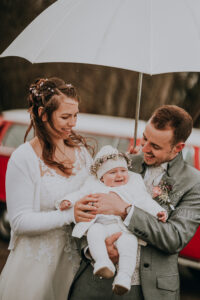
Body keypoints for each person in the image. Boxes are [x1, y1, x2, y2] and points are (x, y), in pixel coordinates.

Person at [68, 105, 200, 300]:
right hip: (95, 283)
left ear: (178, 147)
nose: (145, 148)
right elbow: (85, 207)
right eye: (145, 138)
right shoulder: (121, 163)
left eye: (155, 146)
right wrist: (91, 250)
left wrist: (125, 211)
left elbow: (175, 238)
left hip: (148, 290)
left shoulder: (194, 183)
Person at [0, 77, 95, 300]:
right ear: (43, 114)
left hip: (76, 266)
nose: (73, 123)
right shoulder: (23, 158)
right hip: (36, 268)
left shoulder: (82, 152)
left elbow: (96, 188)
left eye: (75, 115)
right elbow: (20, 222)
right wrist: (69, 214)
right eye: (65, 117)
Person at [55, 145, 167, 295]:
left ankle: (124, 277)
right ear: (102, 177)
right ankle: (102, 262)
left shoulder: (132, 186)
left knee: (129, 244)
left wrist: (158, 211)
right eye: (112, 172)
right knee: (94, 232)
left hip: (123, 229)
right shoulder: (93, 185)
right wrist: (67, 201)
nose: (119, 175)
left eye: (123, 171)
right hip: (101, 225)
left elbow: (144, 201)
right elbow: (80, 194)